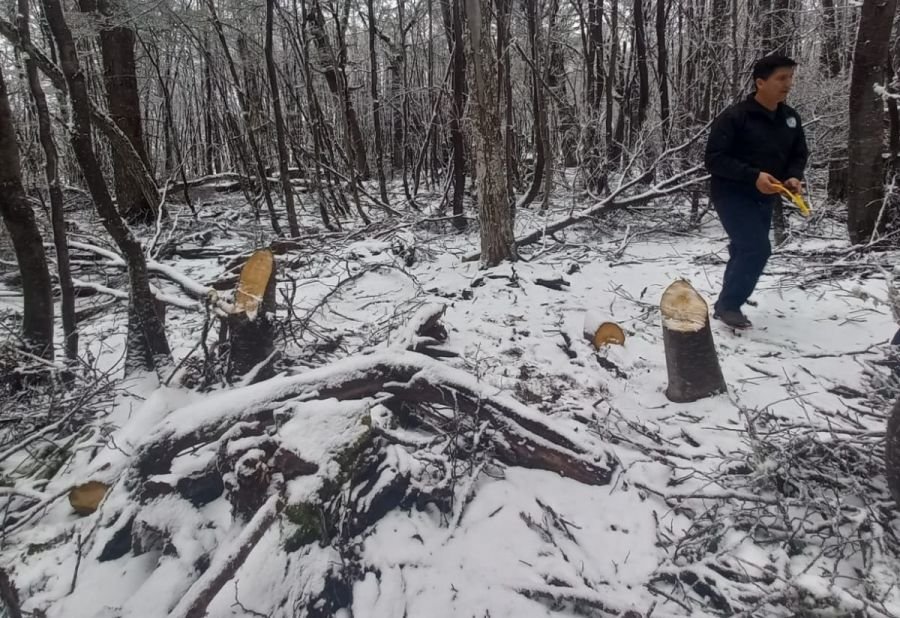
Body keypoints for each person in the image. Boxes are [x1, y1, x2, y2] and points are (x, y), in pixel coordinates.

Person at [704, 54, 808, 329]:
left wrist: (793, 177)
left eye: (790, 77)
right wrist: (753, 176)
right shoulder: (735, 117)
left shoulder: (790, 118)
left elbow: (798, 154)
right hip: (731, 193)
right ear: (760, 82)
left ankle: (726, 303)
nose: (788, 84)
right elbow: (714, 159)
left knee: (743, 248)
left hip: (766, 197)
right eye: (781, 78)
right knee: (757, 248)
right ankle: (730, 305)